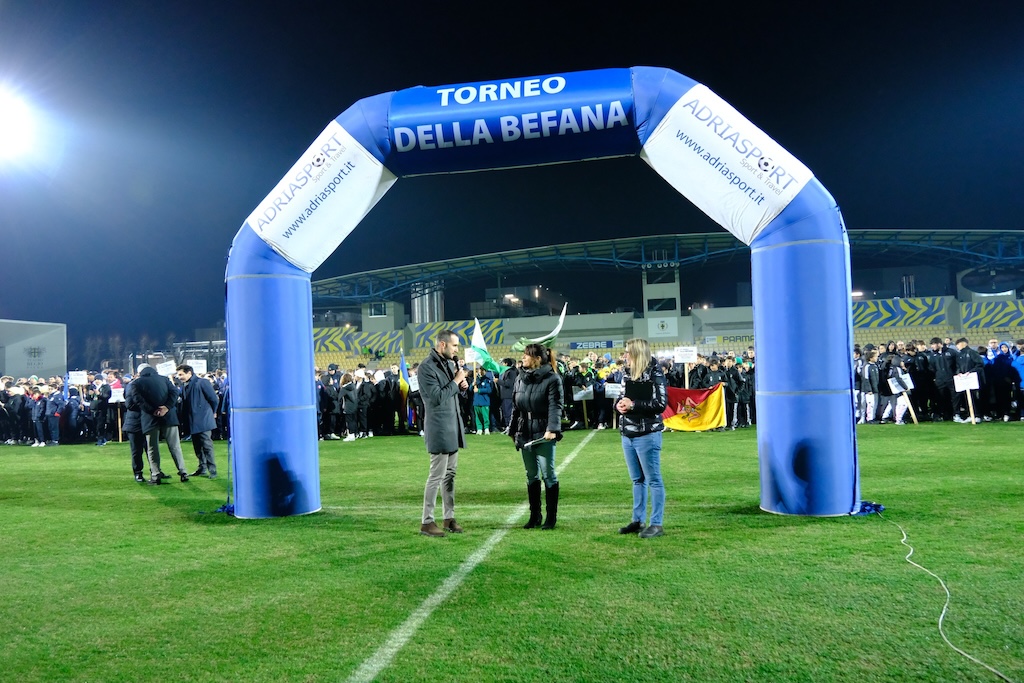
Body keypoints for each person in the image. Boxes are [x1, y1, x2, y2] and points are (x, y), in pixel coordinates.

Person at [615, 337, 668, 539]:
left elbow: (661, 404)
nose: (625, 356)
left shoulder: (656, 374)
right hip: (628, 433)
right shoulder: (626, 373)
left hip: (647, 434)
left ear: (637, 353)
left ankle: (657, 524)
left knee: (653, 480)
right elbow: (621, 398)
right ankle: (637, 520)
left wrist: (634, 405)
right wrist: (619, 406)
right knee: (637, 480)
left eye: (628, 352)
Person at [417, 330, 469, 537]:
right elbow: (437, 397)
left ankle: (449, 517)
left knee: (450, 475)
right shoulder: (426, 368)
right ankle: (427, 521)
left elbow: (452, 393)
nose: (457, 350)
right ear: (442, 345)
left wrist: (462, 386)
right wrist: (456, 382)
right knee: (436, 477)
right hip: (439, 427)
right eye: (454, 346)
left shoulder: (448, 364)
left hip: (453, 426)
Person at [510, 343, 563, 529]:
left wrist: (552, 429)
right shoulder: (520, 378)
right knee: (531, 475)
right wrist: (513, 431)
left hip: (543, 432)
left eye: (526, 355)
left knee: (548, 474)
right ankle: (535, 516)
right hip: (525, 432)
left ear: (537, 359)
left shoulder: (552, 379)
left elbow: (555, 406)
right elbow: (516, 407)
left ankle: (551, 517)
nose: (523, 358)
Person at [132, 364, 190, 484]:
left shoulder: (136, 383)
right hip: (169, 417)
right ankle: (183, 471)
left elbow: (139, 401)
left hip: (150, 418)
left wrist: (153, 411)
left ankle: (156, 474)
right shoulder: (164, 379)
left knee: (152, 448)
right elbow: (174, 393)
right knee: (175, 446)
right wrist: (166, 408)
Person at [176, 364, 220, 478]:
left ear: (189, 373)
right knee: (197, 446)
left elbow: (214, 399)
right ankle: (202, 467)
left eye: (181, 374)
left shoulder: (202, 382)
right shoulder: (185, 385)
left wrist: (212, 412)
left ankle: (212, 470)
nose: (179, 376)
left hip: (203, 420)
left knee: (207, 446)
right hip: (192, 421)